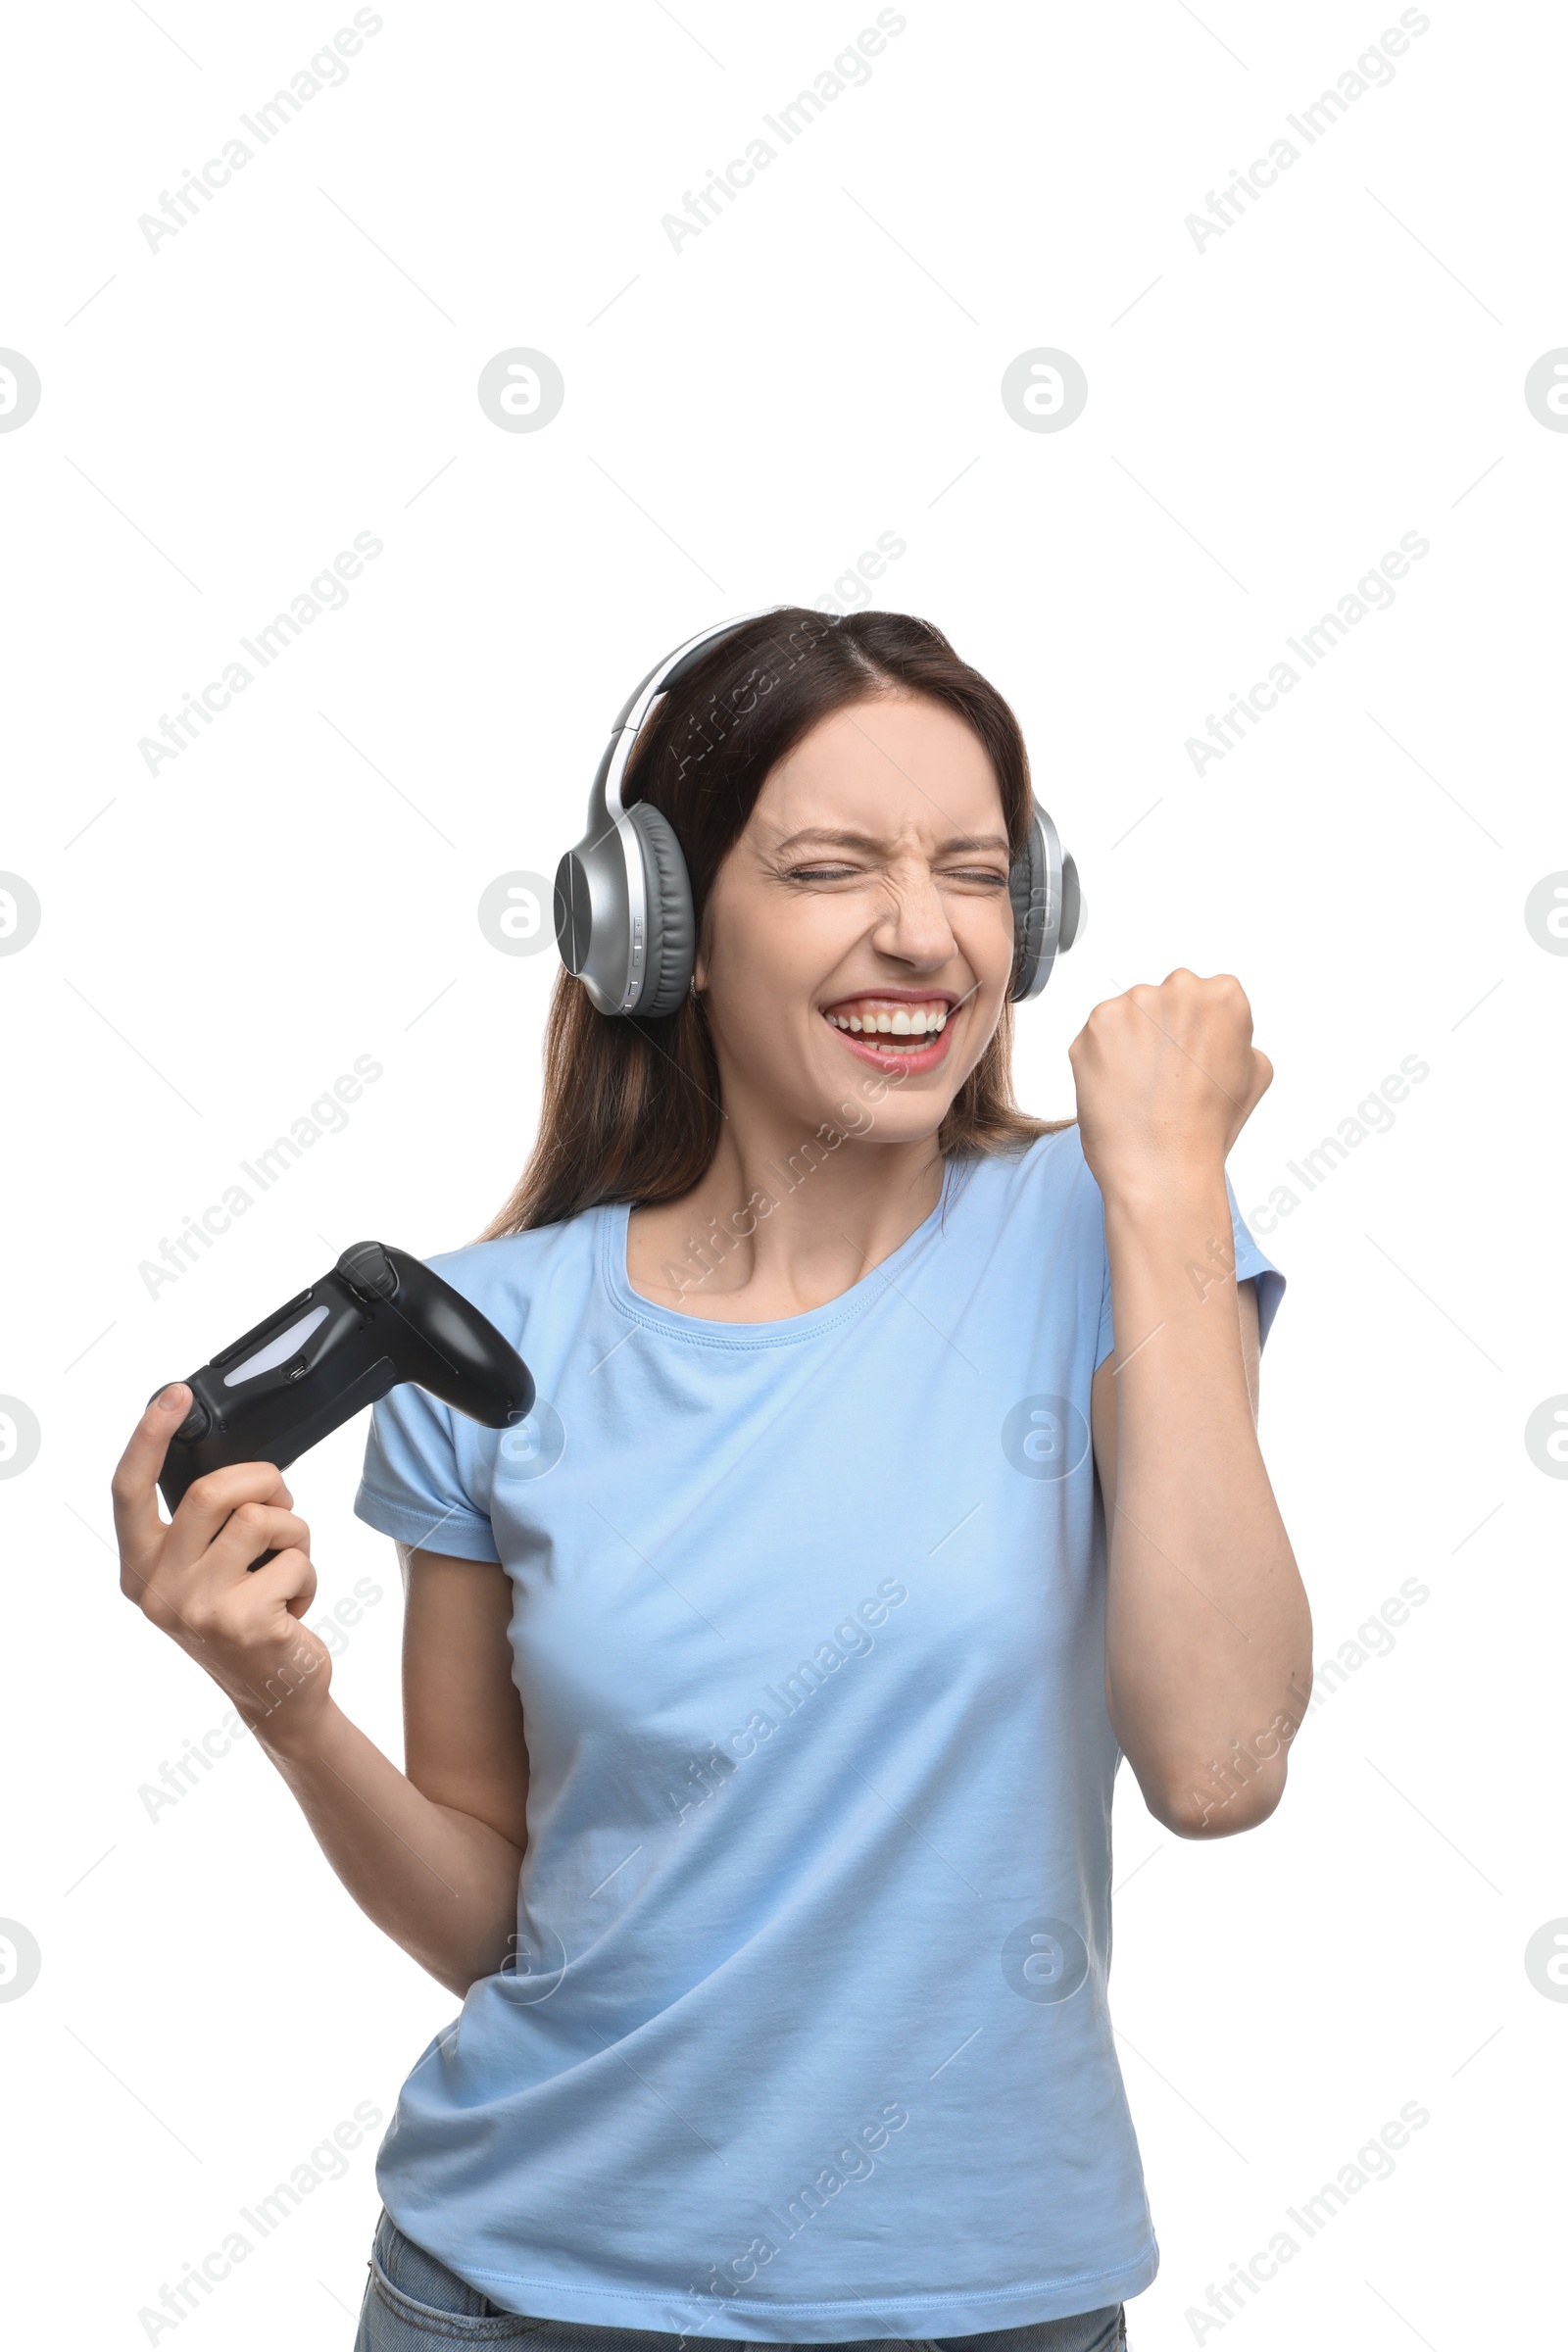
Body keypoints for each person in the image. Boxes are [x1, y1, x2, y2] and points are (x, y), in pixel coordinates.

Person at [114, 609, 1310, 2352]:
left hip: (982, 2306)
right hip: (512, 2296)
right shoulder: (492, 1344)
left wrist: (1171, 1186)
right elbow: (498, 1922)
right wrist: (284, 1704)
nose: (922, 935)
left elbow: (1219, 1762)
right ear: (655, 925)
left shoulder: (1108, 1235)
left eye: (975, 873)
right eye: (830, 868)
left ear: (1033, 919)